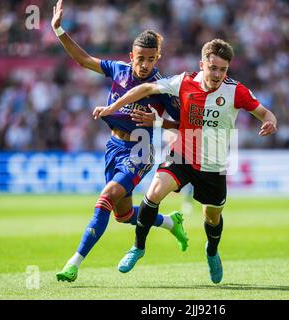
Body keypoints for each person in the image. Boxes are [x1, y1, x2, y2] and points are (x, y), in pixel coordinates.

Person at [93, 39, 277, 283]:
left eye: (223, 70)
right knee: (154, 193)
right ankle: (138, 247)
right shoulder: (184, 81)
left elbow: (264, 112)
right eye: (213, 68)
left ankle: (212, 251)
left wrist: (270, 122)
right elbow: (146, 89)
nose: (218, 74)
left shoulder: (236, 91)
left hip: (213, 164)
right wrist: (113, 107)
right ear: (203, 65)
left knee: (211, 218)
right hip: (181, 155)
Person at [51, 0, 188, 282]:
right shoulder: (119, 69)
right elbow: (84, 60)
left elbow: (187, 123)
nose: (145, 64)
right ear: (131, 55)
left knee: (106, 198)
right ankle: (169, 222)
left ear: (157, 58)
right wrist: (59, 30)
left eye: (151, 59)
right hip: (113, 146)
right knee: (123, 215)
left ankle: (73, 263)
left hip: (139, 148)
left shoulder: (161, 89)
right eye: (140, 59)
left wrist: (157, 122)